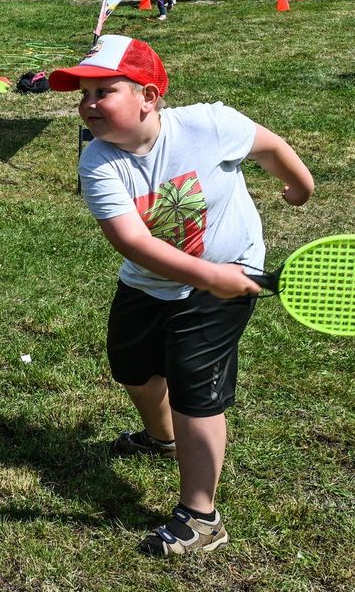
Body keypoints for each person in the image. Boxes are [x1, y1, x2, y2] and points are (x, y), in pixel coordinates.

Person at [48, 35, 314, 557]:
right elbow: (133, 241)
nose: (88, 104)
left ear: (148, 96)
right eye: (82, 94)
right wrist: (206, 276)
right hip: (152, 282)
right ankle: (161, 439)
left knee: (196, 389)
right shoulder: (99, 161)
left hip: (233, 271)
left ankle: (201, 516)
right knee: (133, 371)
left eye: (105, 91)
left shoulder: (209, 124)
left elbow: (270, 147)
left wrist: (299, 186)